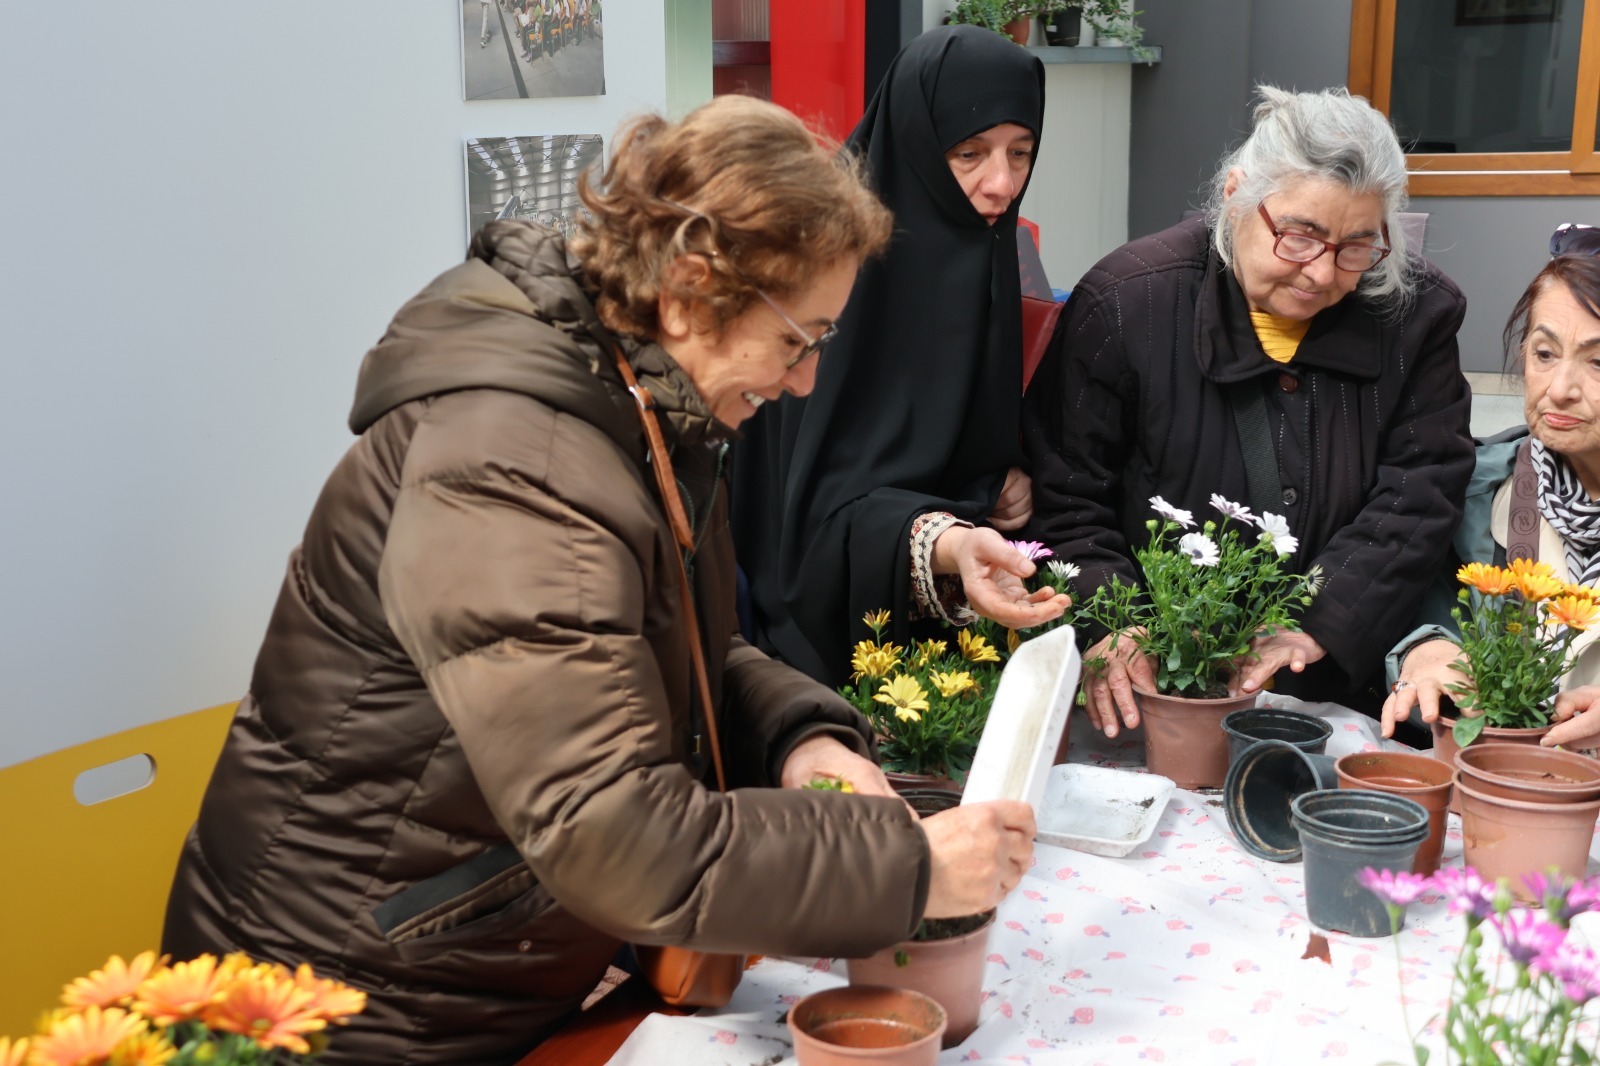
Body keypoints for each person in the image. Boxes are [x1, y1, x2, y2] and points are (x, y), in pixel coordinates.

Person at [162, 96, 1036, 1065]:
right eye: (799, 339)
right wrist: (906, 867)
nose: (801, 384)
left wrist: (799, 738)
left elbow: (670, 646)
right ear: (691, 287)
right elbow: (616, 832)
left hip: (466, 983)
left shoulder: (636, 405)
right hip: (332, 1016)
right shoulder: (510, 463)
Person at [1023, 85, 1475, 737]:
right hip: (1157, 691)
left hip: (1342, 688)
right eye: (1301, 237)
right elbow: (1066, 495)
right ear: (1237, 195)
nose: (1323, 273)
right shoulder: (1127, 304)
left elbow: (1420, 491)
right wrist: (1113, 623)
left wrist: (1319, 618)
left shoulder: (1414, 315)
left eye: (1356, 247)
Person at [730, 25, 1069, 689]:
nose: (1001, 183)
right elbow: (812, 524)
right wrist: (956, 520)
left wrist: (1004, 474)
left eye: (1021, 153)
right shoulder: (839, 267)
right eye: (969, 153)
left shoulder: (984, 251)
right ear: (916, 142)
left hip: (957, 613)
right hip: (822, 651)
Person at [1383, 226, 1600, 748]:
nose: (1560, 390)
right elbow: (1424, 613)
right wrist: (1427, 654)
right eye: (1545, 353)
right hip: (1504, 799)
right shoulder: (1475, 490)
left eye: (1598, 362)